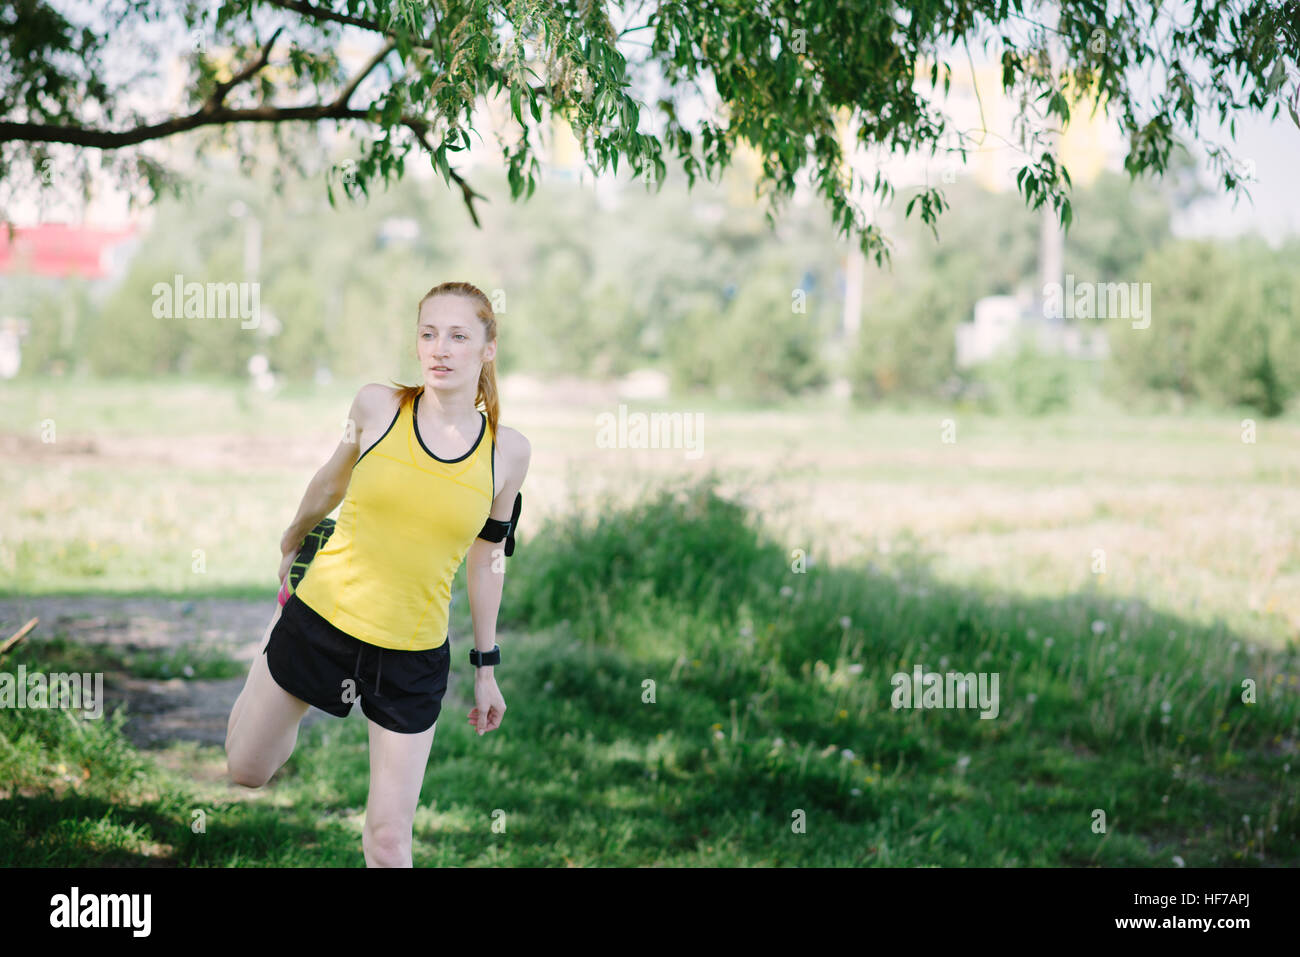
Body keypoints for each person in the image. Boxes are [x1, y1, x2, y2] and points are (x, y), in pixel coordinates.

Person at [224, 281, 532, 868]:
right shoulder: (376, 406)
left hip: (411, 655)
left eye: (458, 336)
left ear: (488, 348)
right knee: (247, 770)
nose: (440, 349)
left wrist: (487, 667)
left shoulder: (508, 453)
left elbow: (489, 558)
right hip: (321, 621)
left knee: (389, 839)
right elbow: (330, 481)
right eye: (428, 333)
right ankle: (273, 643)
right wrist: (292, 540)